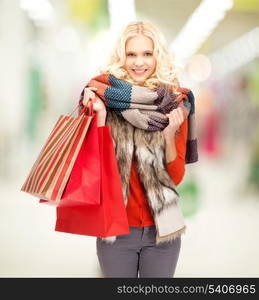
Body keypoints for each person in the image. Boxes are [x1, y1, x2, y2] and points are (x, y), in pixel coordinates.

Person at [79, 21, 198, 278]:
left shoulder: (174, 104)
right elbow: (96, 171)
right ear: (121, 57)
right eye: (131, 54)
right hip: (117, 229)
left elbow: (175, 178)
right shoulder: (103, 98)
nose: (139, 62)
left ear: (158, 57)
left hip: (163, 231)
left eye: (147, 54)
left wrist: (168, 135)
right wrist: (99, 118)